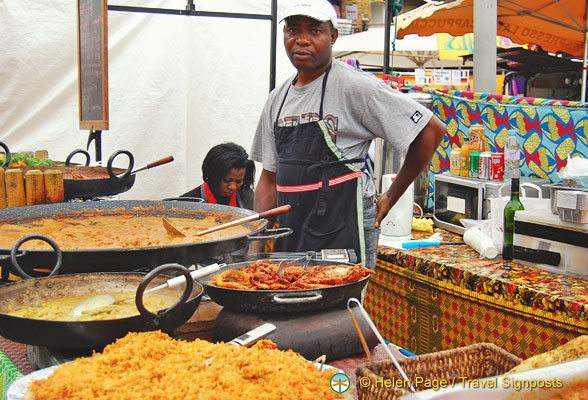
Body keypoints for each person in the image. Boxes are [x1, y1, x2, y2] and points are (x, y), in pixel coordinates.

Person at [249, 0, 446, 269]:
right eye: (293, 30)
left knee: (338, 309)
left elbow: (431, 130)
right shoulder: (278, 99)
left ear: (333, 36)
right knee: (289, 305)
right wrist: (255, 245)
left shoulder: (355, 87)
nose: (302, 40)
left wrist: (392, 194)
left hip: (342, 231)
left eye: (315, 31)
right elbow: (269, 180)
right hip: (292, 233)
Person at [181, 142, 255, 210]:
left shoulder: (248, 198)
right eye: (227, 180)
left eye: (238, 181)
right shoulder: (187, 203)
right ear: (213, 175)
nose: (233, 187)